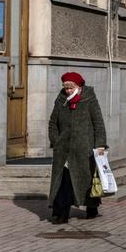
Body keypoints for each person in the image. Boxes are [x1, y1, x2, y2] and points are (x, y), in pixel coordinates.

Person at [48, 72, 108, 224]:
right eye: (65, 87)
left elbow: (98, 123)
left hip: (84, 150)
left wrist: (100, 144)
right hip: (64, 151)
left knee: (87, 182)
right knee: (63, 182)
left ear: (79, 86)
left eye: (71, 87)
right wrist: (56, 141)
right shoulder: (61, 100)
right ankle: (62, 213)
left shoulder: (89, 99)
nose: (67, 91)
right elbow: (52, 123)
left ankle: (92, 207)